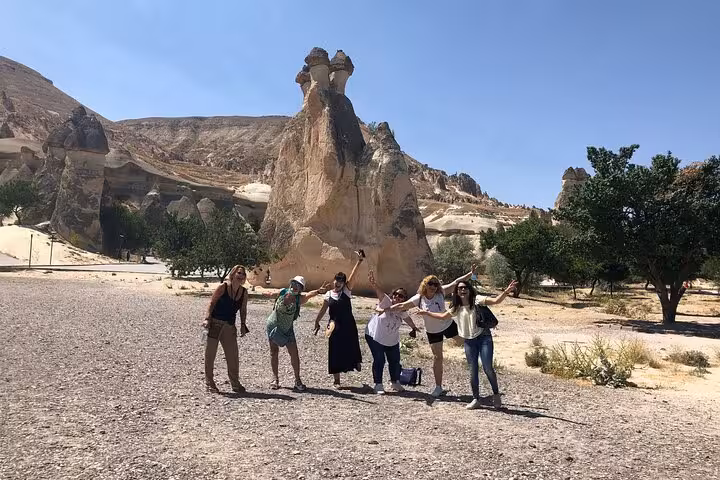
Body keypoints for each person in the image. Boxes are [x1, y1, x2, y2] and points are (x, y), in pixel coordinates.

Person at [422, 280, 517, 409]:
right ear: (456, 292)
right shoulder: (456, 307)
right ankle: (476, 399)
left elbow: (496, 301)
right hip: (469, 341)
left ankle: (496, 395)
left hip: (484, 338)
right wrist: (426, 313)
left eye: (465, 287)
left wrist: (506, 291)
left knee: (487, 367)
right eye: (459, 288)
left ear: (469, 289)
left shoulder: (477, 299)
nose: (462, 290)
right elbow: (443, 316)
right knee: (472, 371)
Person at [387, 265, 478, 398]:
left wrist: (470, 274)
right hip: (433, 331)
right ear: (425, 285)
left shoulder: (441, 292)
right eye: (430, 284)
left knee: (466, 342)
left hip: (447, 325)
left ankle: (479, 355)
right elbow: (402, 305)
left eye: (435, 284)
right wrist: (386, 308)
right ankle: (438, 387)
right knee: (437, 358)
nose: (433, 286)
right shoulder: (419, 298)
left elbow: (456, 282)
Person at [266, 276, 328, 391]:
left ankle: (297, 380)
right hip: (274, 325)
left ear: (301, 289)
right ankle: (275, 379)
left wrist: (318, 291)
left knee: (294, 354)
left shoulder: (300, 299)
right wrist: (269, 294)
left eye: (298, 285)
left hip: (288, 329)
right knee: (274, 352)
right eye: (294, 283)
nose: (295, 286)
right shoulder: (283, 292)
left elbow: (309, 294)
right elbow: (273, 294)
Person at [314, 251, 365, 388]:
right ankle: (337, 379)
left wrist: (359, 261)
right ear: (334, 280)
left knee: (351, 346)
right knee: (334, 351)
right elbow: (324, 309)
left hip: (348, 324)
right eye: (336, 280)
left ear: (344, 283)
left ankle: (355, 362)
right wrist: (317, 321)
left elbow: (353, 277)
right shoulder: (329, 294)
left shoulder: (347, 291)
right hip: (334, 325)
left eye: (341, 281)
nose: (338, 282)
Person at [365, 269, 420, 394]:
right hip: (375, 336)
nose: (397, 297)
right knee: (379, 359)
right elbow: (379, 291)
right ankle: (378, 384)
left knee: (394, 360)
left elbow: (407, 318)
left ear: (404, 299)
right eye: (395, 294)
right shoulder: (386, 301)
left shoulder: (402, 309)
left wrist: (413, 327)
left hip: (391, 339)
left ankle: (395, 382)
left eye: (400, 296)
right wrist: (373, 283)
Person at [203, 265, 249, 394]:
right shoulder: (223, 287)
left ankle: (235, 383)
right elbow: (212, 303)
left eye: (243, 274)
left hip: (230, 325)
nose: (241, 276)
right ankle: (209, 383)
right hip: (215, 323)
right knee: (210, 354)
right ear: (233, 274)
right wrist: (207, 318)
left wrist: (243, 324)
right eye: (239, 273)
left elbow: (243, 309)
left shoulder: (244, 292)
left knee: (233, 355)